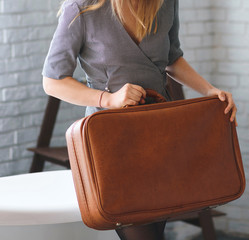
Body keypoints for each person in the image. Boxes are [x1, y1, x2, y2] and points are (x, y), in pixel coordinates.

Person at [42, 0, 237, 239]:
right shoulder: (81, 8)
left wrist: (208, 90)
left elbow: (172, 58)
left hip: (160, 138)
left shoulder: (166, 3)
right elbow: (52, 81)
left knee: (155, 229)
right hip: (111, 146)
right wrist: (108, 99)